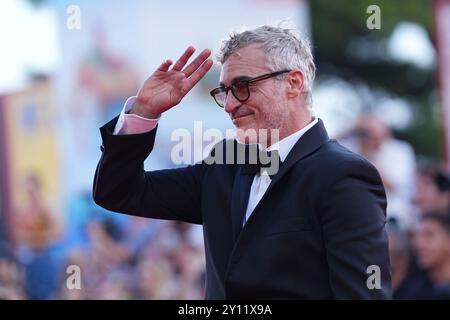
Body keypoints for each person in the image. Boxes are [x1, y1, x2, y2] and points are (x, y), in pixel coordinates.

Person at [93, 25, 391, 299]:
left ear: (293, 83)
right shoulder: (224, 166)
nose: (231, 105)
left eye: (243, 85)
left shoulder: (343, 175)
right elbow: (119, 191)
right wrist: (143, 112)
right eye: (224, 91)